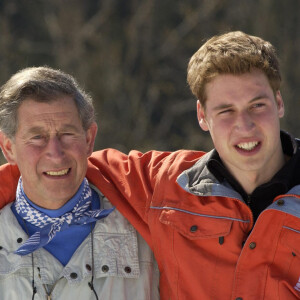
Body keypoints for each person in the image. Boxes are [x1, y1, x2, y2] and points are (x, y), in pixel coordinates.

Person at [1, 30, 300, 300]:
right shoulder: (167, 187)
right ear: (202, 115)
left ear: (279, 102)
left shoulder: (155, 196)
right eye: (225, 111)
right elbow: (52, 170)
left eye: (257, 105)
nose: (244, 125)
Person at [0, 67, 159, 300]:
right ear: (8, 149)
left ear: (89, 139)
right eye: (37, 137)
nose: (55, 153)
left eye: (67, 134)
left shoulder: (149, 235)